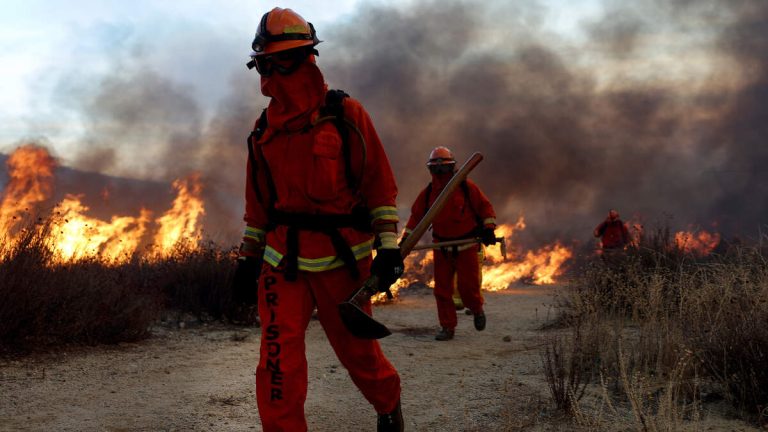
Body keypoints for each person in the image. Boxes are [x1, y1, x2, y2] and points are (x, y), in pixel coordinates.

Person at [232, 8, 404, 431]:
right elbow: (258, 206)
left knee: (357, 352)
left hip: (341, 261)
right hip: (281, 262)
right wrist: (247, 257)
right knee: (277, 362)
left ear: (305, 58)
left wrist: (388, 248)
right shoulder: (262, 131)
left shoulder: (346, 116)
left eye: (280, 61)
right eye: (265, 63)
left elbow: (379, 187)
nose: (271, 73)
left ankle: (388, 405)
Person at [402, 146, 497, 341]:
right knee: (442, 290)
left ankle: (477, 309)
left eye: (443, 167)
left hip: (466, 246)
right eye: (436, 168)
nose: (439, 172)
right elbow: (416, 218)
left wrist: (488, 228)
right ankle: (447, 327)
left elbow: (485, 208)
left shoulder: (467, 188)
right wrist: (406, 239)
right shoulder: (428, 194)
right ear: (430, 170)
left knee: (468, 289)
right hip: (442, 248)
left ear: (452, 167)